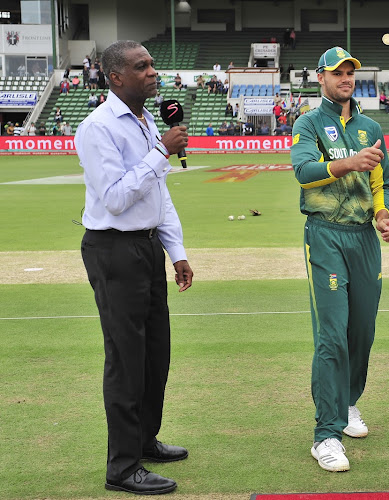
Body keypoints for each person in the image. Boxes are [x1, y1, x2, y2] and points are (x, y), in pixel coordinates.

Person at [74, 40, 192, 495]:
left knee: (154, 355)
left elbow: (156, 196)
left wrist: (175, 250)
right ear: (116, 77)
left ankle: (144, 440)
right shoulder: (98, 127)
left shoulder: (144, 121)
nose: (153, 72)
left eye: (152, 64)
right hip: (113, 250)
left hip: (146, 249)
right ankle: (122, 468)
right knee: (125, 360)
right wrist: (161, 151)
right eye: (141, 66)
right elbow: (118, 199)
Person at [291, 46, 389, 473]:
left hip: (363, 239)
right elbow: (303, 173)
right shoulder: (309, 123)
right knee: (332, 336)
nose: (346, 78)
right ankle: (326, 435)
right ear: (321, 78)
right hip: (326, 236)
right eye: (337, 73)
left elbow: (381, 180)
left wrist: (384, 215)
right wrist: (348, 162)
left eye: (351, 72)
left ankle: (348, 403)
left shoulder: (371, 126)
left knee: (362, 333)